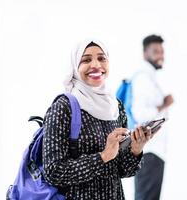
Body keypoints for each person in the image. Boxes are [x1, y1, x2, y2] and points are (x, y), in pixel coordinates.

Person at [42, 39, 154, 200]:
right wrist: (103, 156)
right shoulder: (63, 107)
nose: (96, 65)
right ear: (75, 66)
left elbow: (123, 171)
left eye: (102, 58)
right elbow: (53, 172)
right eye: (86, 60)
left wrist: (136, 149)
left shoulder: (115, 106)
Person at [132, 34, 174, 200]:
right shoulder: (143, 77)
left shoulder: (148, 76)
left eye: (162, 51)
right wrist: (165, 103)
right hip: (149, 151)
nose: (160, 55)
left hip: (152, 151)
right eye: (155, 51)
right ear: (145, 54)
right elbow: (141, 114)